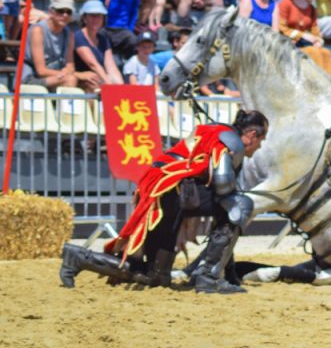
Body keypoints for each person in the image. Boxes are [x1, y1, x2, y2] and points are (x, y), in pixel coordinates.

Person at [59, 110, 269, 294]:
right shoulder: (231, 140)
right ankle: (209, 277)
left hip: (164, 193)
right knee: (240, 205)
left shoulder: (215, 131)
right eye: (260, 140)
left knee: (156, 276)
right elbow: (223, 185)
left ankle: (78, 257)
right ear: (251, 135)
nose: (258, 147)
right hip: (171, 193)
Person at [23, 0, 81, 91]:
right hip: (31, 77)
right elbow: (41, 71)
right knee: (70, 79)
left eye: (68, 12)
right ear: (51, 12)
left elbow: (70, 65)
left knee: (90, 85)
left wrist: (68, 71)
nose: (65, 15)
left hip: (55, 76)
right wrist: (66, 74)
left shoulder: (69, 34)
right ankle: (60, 105)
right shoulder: (38, 30)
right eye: (60, 11)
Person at [73, 0, 123, 91]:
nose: (96, 19)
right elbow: (93, 64)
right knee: (97, 87)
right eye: (92, 16)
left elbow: (111, 67)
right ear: (84, 18)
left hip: (98, 79)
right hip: (82, 81)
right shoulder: (78, 36)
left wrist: (120, 87)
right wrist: (109, 86)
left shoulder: (103, 38)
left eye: (99, 16)